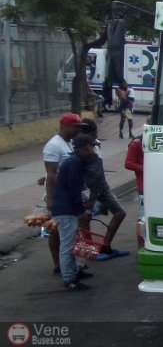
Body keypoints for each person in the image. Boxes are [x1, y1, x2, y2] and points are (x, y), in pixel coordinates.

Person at [79, 118, 129, 261]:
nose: (96, 137)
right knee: (85, 218)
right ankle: (90, 250)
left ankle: (105, 247)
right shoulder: (78, 147)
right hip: (87, 188)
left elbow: (98, 171)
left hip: (100, 186)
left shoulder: (96, 145)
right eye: (93, 134)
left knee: (119, 213)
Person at [42, 113, 87, 275]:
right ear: (66, 126)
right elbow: (51, 174)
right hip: (59, 195)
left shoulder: (69, 143)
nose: (78, 131)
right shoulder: (53, 145)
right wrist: (51, 198)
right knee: (56, 232)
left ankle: (70, 265)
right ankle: (59, 265)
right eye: (76, 127)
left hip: (69, 194)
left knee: (70, 232)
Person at [51, 133, 96, 291]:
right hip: (66, 210)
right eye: (92, 147)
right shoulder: (75, 163)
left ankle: (73, 272)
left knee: (70, 244)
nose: (93, 150)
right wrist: (80, 210)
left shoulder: (73, 161)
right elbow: (73, 190)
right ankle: (69, 279)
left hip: (65, 208)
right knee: (68, 246)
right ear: (86, 147)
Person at [125, 122, 145, 220]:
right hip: (144, 185)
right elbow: (128, 163)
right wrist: (147, 169)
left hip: (160, 183)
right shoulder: (137, 143)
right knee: (143, 214)